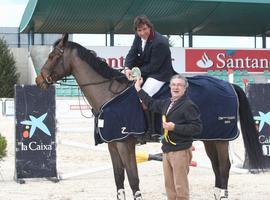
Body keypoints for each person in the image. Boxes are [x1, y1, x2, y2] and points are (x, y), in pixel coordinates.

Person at [134, 74, 202, 200]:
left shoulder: (188, 105)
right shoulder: (167, 102)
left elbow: (197, 128)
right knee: (169, 187)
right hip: (167, 150)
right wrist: (138, 88)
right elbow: (151, 103)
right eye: (173, 85)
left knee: (180, 187)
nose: (176, 87)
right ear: (170, 87)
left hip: (180, 151)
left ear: (185, 88)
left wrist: (174, 127)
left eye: (179, 85)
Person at [124, 15, 175, 97]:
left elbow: (153, 67)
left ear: (150, 27)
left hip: (159, 74)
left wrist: (135, 73)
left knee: (142, 96)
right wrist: (127, 68)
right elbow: (132, 53)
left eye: (144, 29)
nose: (142, 33)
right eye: (139, 30)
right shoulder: (137, 37)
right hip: (145, 70)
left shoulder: (160, 42)